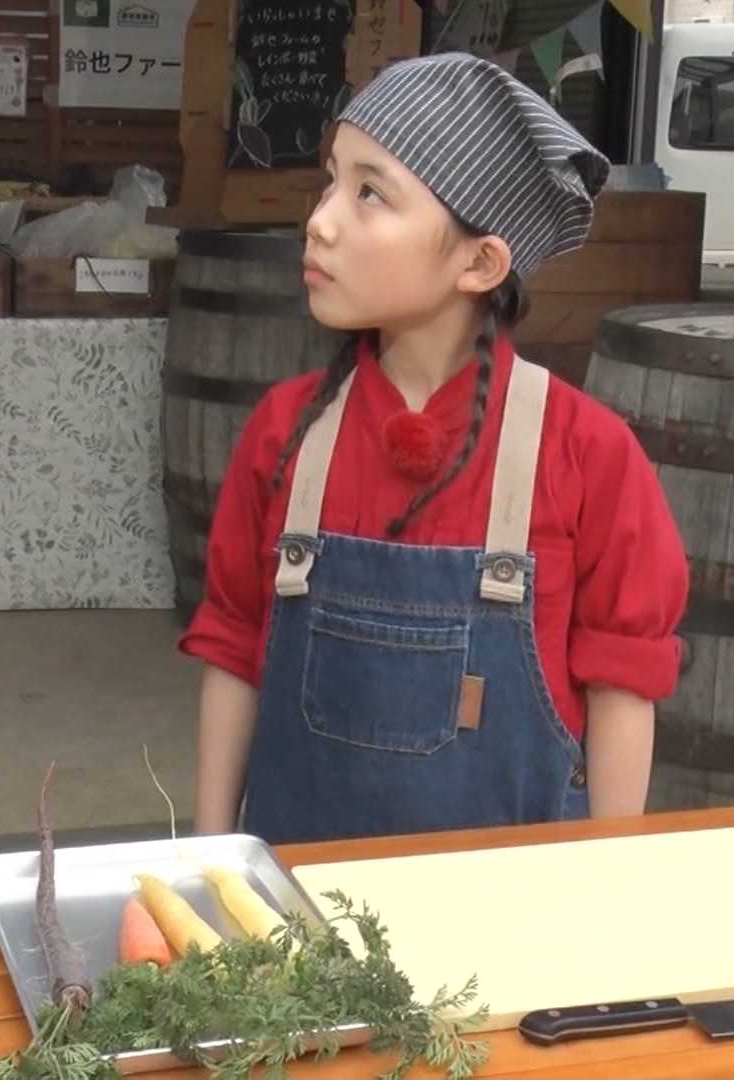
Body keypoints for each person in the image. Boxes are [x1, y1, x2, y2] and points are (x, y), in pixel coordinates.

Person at [180, 52, 690, 845]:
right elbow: (235, 649)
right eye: (330, 180)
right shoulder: (286, 433)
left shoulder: (588, 453)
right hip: (297, 905)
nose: (320, 220)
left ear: (479, 262)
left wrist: (606, 882)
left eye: (370, 194)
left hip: (513, 908)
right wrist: (211, 860)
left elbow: (625, 686)